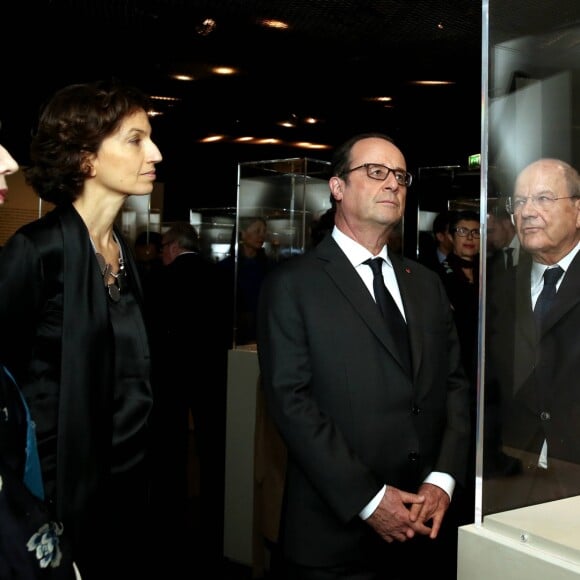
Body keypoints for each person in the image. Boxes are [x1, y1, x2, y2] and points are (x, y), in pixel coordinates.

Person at [256, 132, 471, 580]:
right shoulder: (293, 285)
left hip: (427, 528)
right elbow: (291, 403)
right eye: (376, 172)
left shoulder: (426, 283)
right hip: (335, 539)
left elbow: (454, 384)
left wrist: (442, 480)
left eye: (400, 176)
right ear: (337, 187)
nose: (392, 183)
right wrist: (370, 500)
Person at [0, 80, 163, 579]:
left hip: (127, 487)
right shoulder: (37, 250)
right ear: (86, 159)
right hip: (54, 491)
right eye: (135, 139)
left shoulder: (126, 256)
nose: (154, 152)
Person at [484, 158, 580, 514]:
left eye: (543, 199)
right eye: (519, 201)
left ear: (578, 212)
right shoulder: (498, 289)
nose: (527, 212)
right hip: (509, 481)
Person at [146, 221, 230, 570]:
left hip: (172, 371)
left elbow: (153, 325)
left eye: (163, 246)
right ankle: (215, 497)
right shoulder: (219, 275)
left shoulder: (162, 278)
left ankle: (172, 502)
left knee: (172, 439)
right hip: (211, 369)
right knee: (212, 440)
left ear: (173, 247)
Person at [218, 216, 274, 346]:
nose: (262, 236)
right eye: (257, 231)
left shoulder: (270, 267)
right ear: (242, 233)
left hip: (262, 330)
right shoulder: (225, 268)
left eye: (264, 231)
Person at [486, 202, 520, 278]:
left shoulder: (531, 249)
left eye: (491, 231)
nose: (488, 237)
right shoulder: (492, 259)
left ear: (506, 223)